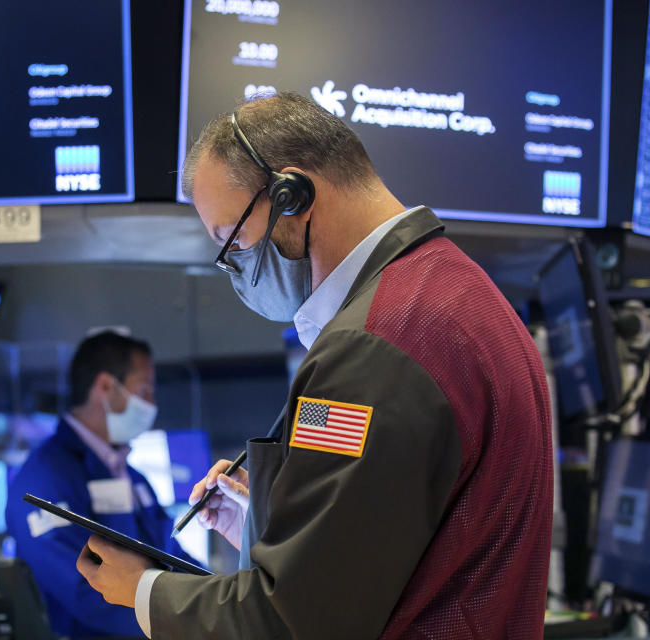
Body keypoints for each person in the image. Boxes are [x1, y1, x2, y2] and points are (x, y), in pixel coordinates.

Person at [74, 92, 553, 639]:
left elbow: (294, 623)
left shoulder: (371, 349)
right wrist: (273, 529)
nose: (236, 268)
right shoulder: (461, 293)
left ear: (292, 194)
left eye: (232, 240)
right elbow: (389, 550)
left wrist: (143, 591)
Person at [6, 331, 193, 639]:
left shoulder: (131, 476)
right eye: (145, 391)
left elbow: (173, 557)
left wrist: (224, 600)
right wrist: (185, 626)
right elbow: (83, 589)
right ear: (106, 387)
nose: (152, 404)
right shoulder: (46, 476)